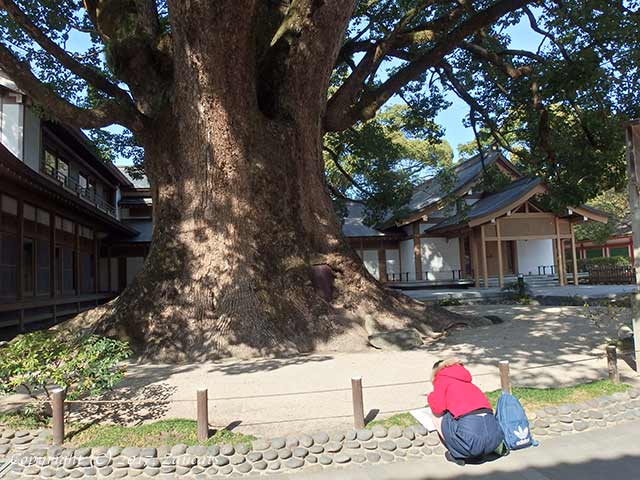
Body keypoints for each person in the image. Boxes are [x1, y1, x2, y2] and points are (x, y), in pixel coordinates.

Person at [427, 358, 505, 463]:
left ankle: (457, 453)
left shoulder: (441, 379)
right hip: (494, 440)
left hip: (470, 440)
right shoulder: (468, 383)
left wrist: (431, 396)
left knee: (438, 416)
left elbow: (437, 408)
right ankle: (481, 450)